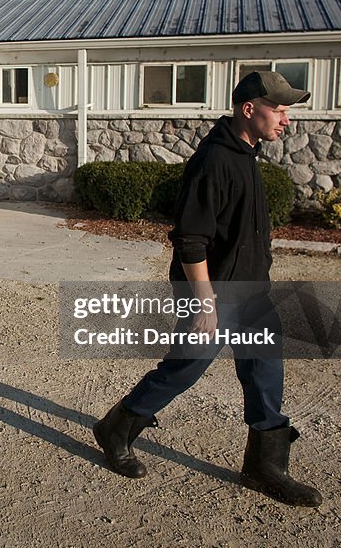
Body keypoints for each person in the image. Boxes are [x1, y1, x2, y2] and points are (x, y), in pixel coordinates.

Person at [92, 71, 322, 507]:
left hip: (250, 292)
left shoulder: (245, 152)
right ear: (250, 109)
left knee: (265, 371)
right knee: (186, 368)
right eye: (280, 109)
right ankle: (116, 427)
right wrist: (205, 304)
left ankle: (264, 466)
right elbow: (189, 240)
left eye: (288, 111)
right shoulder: (215, 160)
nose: (286, 119)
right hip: (216, 294)